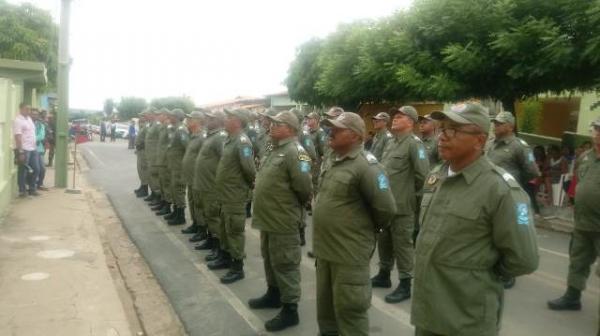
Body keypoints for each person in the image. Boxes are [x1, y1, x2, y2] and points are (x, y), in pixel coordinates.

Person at [411, 102, 539, 336]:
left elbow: (524, 259)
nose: (442, 136)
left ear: (479, 141)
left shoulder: (500, 189)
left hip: (466, 319)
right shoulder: (436, 177)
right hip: (427, 311)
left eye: (453, 130)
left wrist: (478, 272)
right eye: (442, 128)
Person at [313, 112, 396, 336]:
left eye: (337, 129)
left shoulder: (367, 166)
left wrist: (365, 232)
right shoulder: (334, 160)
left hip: (349, 253)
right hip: (326, 252)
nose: (330, 133)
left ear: (354, 136)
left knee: (350, 312)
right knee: (326, 310)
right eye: (330, 129)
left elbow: (386, 209)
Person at [249, 111, 313, 332]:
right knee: (270, 258)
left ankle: (290, 309)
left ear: (291, 128)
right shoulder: (275, 150)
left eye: (278, 123)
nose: (272, 126)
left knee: (286, 264)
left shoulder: (296, 152)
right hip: (268, 218)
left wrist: (294, 210)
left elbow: (305, 188)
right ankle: (274, 293)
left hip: (283, 219)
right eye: (272, 122)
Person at [372, 106, 430, 303]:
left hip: (403, 205)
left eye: (400, 116)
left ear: (411, 122)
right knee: (384, 240)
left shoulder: (414, 144)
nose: (395, 119)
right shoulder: (391, 142)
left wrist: (413, 200)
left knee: (403, 245)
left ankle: (405, 283)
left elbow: (423, 176)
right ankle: (384, 274)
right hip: (386, 204)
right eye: (394, 116)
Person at [547, 116, 600, 312]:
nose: (598, 134)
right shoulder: (585, 157)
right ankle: (572, 296)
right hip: (583, 222)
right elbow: (580, 183)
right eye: (597, 129)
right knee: (578, 260)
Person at [488, 111, 540, 289]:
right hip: (490, 197)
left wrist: (515, 183)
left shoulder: (520, 146)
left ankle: (509, 273)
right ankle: (493, 266)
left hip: (510, 198)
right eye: (495, 123)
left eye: (500, 123)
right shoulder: (491, 144)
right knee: (492, 234)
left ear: (510, 126)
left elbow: (532, 171)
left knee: (509, 235)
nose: (496, 126)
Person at [208, 109, 256, 285]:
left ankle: (237, 267)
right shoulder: (230, 140)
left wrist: (250, 185)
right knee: (225, 227)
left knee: (235, 230)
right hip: (225, 193)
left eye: (229, 118)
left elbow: (249, 169)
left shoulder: (242, 142)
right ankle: (226, 256)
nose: (225, 121)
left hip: (235, 194)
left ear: (237, 122)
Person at [193, 110, 227, 254]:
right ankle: (210, 239)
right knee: (207, 214)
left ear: (219, 121)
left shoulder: (220, 137)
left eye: (211, 119)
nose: (207, 121)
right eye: (207, 118)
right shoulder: (210, 135)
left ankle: (218, 246)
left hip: (211, 184)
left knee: (214, 217)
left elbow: (224, 161)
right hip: (203, 183)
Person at [180, 110, 206, 237]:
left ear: (197, 121)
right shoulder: (192, 135)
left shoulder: (202, 137)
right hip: (190, 176)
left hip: (197, 177)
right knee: (191, 201)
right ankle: (195, 223)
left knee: (198, 203)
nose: (188, 121)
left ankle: (202, 229)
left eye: (190, 119)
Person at [163, 108, 189, 226]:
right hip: (173, 165)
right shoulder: (175, 129)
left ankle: (181, 216)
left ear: (177, 117)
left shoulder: (181, 130)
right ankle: (176, 211)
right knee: (174, 189)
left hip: (179, 166)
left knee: (178, 190)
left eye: (172, 116)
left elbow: (187, 148)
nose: (170, 118)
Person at [12, 103, 39, 197]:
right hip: (24, 150)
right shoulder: (18, 121)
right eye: (26, 109)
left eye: (29, 109)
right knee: (23, 171)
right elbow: (17, 137)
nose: (28, 111)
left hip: (33, 149)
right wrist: (20, 151)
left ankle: (32, 189)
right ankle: (22, 191)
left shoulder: (29, 119)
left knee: (36, 169)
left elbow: (31, 133)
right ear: (21, 109)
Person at [152, 109, 174, 216]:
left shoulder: (169, 127)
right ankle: (163, 202)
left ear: (165, 115)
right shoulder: (161, 126)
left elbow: (171, 143)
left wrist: (166, 158)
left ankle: (167, 206)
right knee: (161, 183)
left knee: (166, 184)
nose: (157, 116)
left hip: (166, 161)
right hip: (160, 160)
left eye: (159, 114)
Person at [144, 109, 163, 204]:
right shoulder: (151, 124)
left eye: (147, 114)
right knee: (150, 176)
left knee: (155, 177)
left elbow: (161, 141)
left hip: (155, 156)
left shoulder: (158, 125)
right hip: (149, 155)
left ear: (152, 115)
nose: (146, 116)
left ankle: (158, 197)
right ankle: (153, 194)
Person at [134, 109, 151, 198]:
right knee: (140, 170)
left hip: (144, 151)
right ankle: (142, 186)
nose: (140, 118)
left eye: (142, 116)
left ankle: (145, 189)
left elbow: (148, 139)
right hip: (140, 151)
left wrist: (141, 145)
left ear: (145, 117)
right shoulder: (143, 125)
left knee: (144, 170)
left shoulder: (147, 126)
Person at [32, 109, 47, 191]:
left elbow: (41, 136)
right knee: (33, 168)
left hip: (39, 149)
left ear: (38, 115)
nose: (34, 116)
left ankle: (40, 183)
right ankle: (32, 185)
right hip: (29, 149)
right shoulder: (28, 123)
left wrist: (32, 139)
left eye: (36, 114)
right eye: (33, 114)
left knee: (42, 168)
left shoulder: (41, 125)